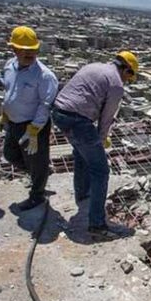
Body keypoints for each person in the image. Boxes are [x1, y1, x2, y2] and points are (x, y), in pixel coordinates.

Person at [51, 51, 138, 236]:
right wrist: (101, 138)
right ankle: (97, 224)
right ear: (126, 70)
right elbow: (107, 118)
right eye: (129, 77)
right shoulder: (116, 84)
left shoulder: (94, 67)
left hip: (59, 113)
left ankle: (83, 195)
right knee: (101, 171)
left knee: (82, 156)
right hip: (78, 120)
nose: (127, 81)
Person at [0, 26, 58, 211]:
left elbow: (45, 104)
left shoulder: (44, 76)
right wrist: (5, 114)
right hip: (14, 121)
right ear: (14, 50)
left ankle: (37, 195)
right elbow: (8, 91)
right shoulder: (9, 66)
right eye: (25, 50)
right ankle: (39, 175)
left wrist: (34, 129)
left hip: (33, 125)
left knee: (36, 159)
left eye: (33, 50)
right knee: (10, 154)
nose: (30, 54)